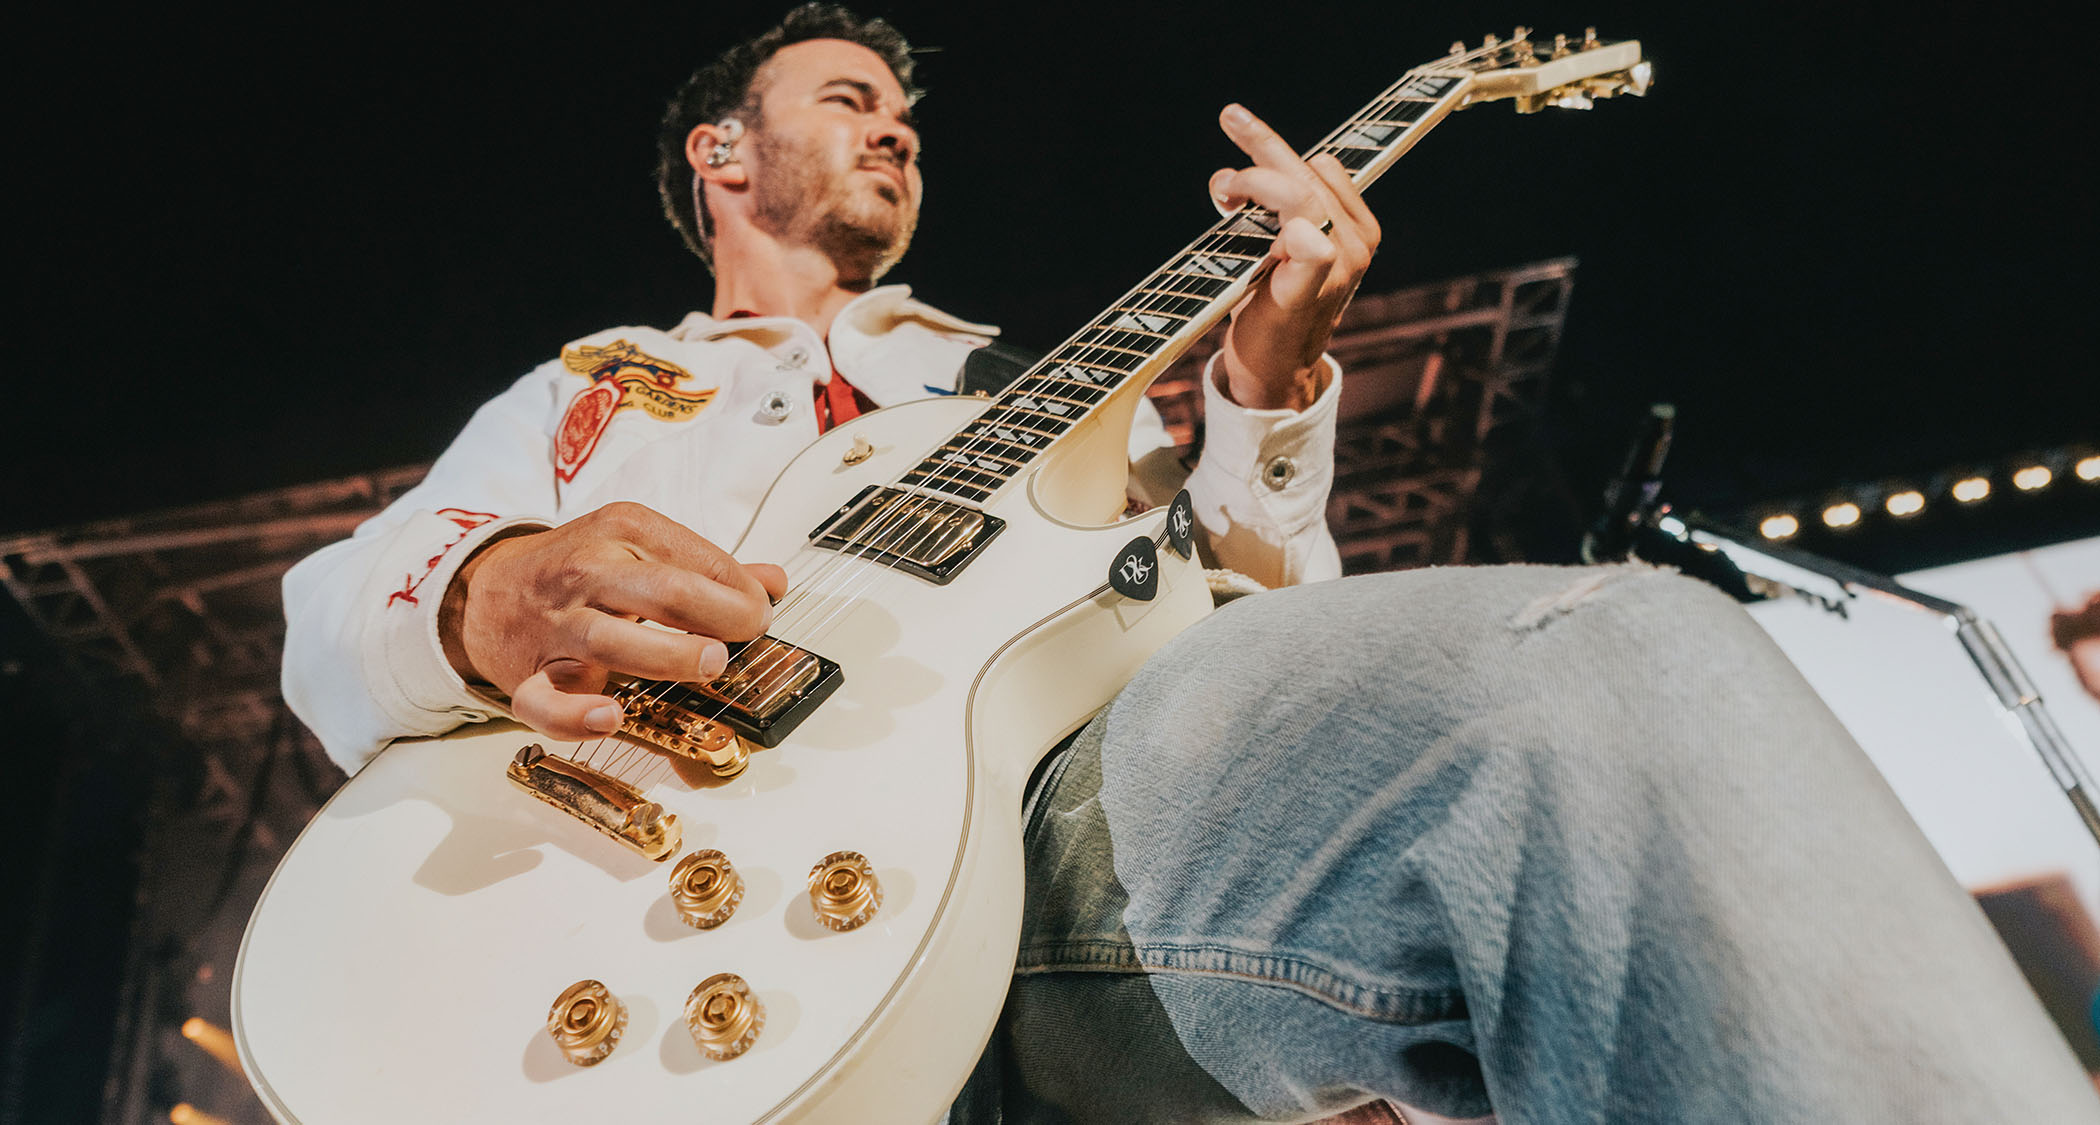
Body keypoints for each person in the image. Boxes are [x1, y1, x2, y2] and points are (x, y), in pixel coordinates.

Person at [279, 6, 2100, 1121]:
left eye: (902, 113)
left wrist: (1268, 380)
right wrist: (485, 588)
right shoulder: (607, 387)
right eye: (844, 99)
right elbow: (339, 611)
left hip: (1060, 871)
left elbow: (1249, 624)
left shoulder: (1016, 381)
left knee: (1604, 664)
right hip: (623, 882)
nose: (894, 124)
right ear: (721, 152)